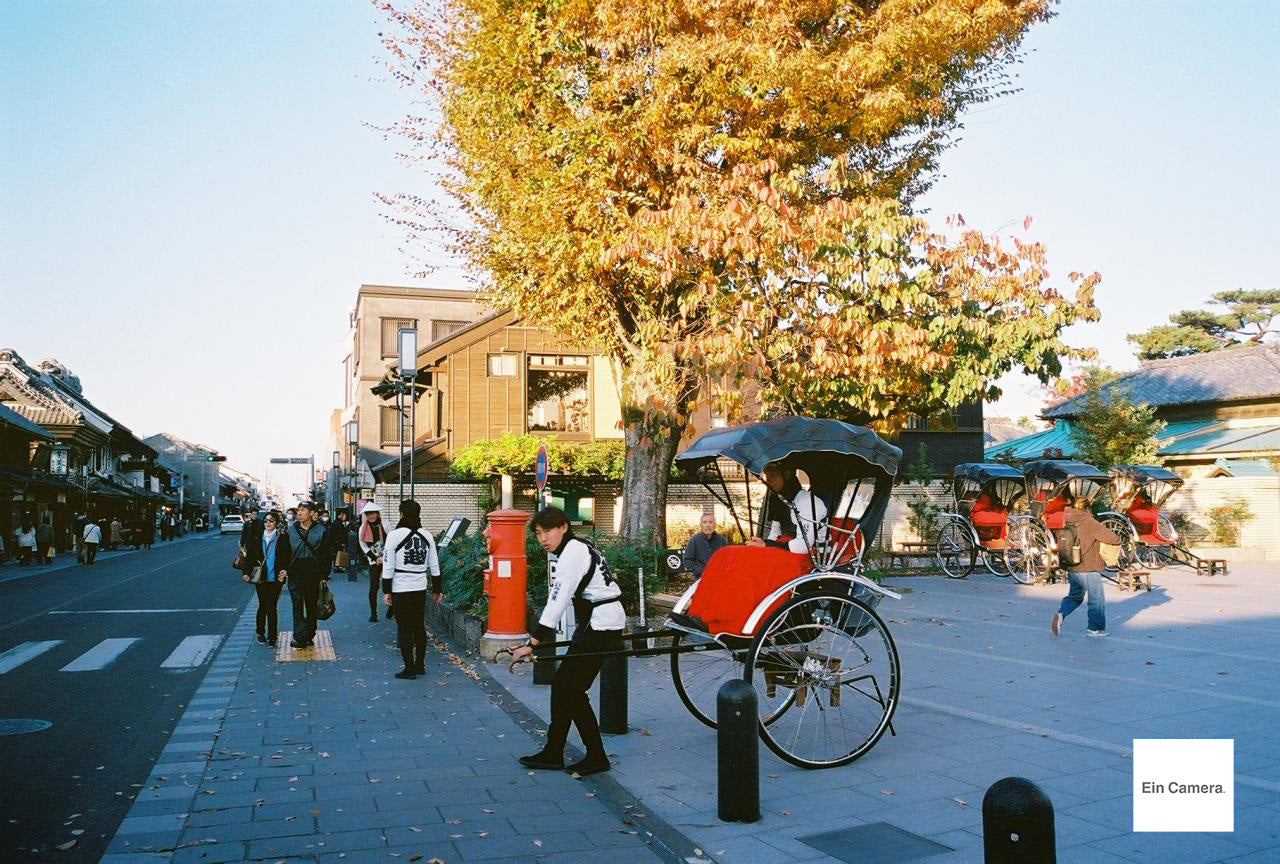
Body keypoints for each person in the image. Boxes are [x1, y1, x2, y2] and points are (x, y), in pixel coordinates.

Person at [511, 507, 624, 776]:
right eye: (538, 533)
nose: (543, 538)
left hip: (601, 624)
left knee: (570, 688)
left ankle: (595, 756)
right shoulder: (578, 547)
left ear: (563, 527)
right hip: (598, 622)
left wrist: (533, 642)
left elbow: (557, 600)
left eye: (548, 531)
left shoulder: (572, 552)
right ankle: (554, 751)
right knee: (564, 686)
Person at [382, 500, 441, 680]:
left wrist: (386, 590)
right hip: (420, 586)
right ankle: (420, 665)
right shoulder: (427, 535)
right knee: (419, 626)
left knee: (404, 628)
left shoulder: (394, 535)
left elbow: (388, 565)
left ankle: (409, 669)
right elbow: (434, 564)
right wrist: (437, 588)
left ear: (402, 514)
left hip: (400, 587)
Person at [1051, 496, 1123, 638]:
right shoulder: (1089, 521)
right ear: (1087, 508)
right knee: (1096, 599)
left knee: (1075, 597)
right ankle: (1094, 629)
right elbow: (1113, 538)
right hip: (1089, 568)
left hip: (1072, 567)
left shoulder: (1066, 519)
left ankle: (1061, 613)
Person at [745, 461, 827, 553]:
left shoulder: (808, 502)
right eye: (766, 476)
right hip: (790, 548)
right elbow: (774, 534)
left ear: (787, 475)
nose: (768, 480)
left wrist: (768, 544)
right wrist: (765, 547)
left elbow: (804, 546)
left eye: (772, 475)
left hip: (814, 554)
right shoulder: (779, 500)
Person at [241, 510, 292, 646]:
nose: (268, 523)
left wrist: (285, 570)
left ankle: (272, 636)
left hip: (276, 577)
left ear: (276, 523)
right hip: (261, 577)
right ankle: (260, 632)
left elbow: (287, 556)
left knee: (272, 606)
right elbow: (250, 557)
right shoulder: (257, 537)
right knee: (263, 605)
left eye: (271, 521)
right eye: (266, 521)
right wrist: (246, 572)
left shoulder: (282, 537)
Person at [286, 501, 331, 649]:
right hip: (295, 572)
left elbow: (326, 554)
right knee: (297, 604)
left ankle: (310, 633)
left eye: (303, 510)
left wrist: (325, 575)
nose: (299, 513)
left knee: (311, 605)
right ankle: (299, 637)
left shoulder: (321, 530)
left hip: (313, 573)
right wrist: (283, 569)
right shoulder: (290, 530)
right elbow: (284, 552)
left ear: (312, 513)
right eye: (298, 510)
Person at [358, 502, 387, 622]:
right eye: (368, 514)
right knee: (374, 587)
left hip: (387, 556)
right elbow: (363, 546)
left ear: (377, 513)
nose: (371, 516)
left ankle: (392, 608)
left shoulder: (385, 524)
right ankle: (373, 613)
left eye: (373, 513)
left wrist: (384, 555)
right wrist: (375, 558)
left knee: (389, 584)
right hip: (373, 559)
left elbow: (391, 540)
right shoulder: (363, 528)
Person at [681, 512, 728, 579]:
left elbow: (728, 559)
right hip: (701, 578)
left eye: (710, 522)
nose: (707, 525)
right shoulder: (694, 540)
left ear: (714, 525)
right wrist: (699, 570)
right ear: (701, 525)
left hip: (719, 577)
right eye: (704, 522)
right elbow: (687, 560)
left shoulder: (721, 540)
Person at [331, 510, 351, 576]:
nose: (344, 516)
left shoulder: (337, 523)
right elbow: (340, 534)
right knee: (338, 554)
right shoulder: (338, 523)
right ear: (339, 515)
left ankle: (337, 567)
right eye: (342, 515)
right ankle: (338, 567)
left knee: (337, 554)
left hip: (337, 542)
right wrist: (342, 541)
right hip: (338, 542)